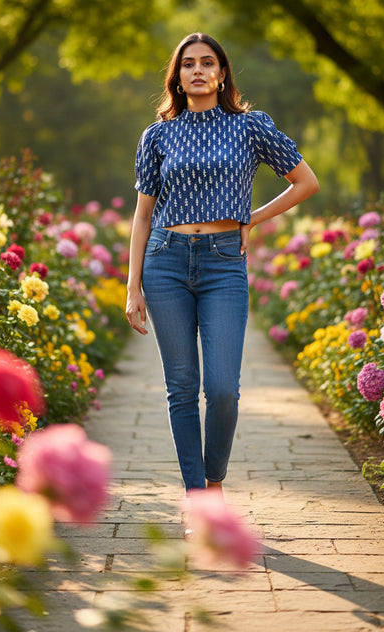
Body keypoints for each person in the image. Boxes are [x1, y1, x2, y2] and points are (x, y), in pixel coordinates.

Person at [125, 32, 319, 505]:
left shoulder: (250, 127)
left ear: (222, 72)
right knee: (182, 387)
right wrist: (133, 287)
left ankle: (215, 479)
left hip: (223, 264)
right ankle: (200, 498)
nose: (197, 70)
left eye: (206, 62)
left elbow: (305, 182)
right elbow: (144, 214)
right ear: (177, 77)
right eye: (187, 64)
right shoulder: (158, 135)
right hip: (165, 262)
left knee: (222, 388)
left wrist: (252, 216)